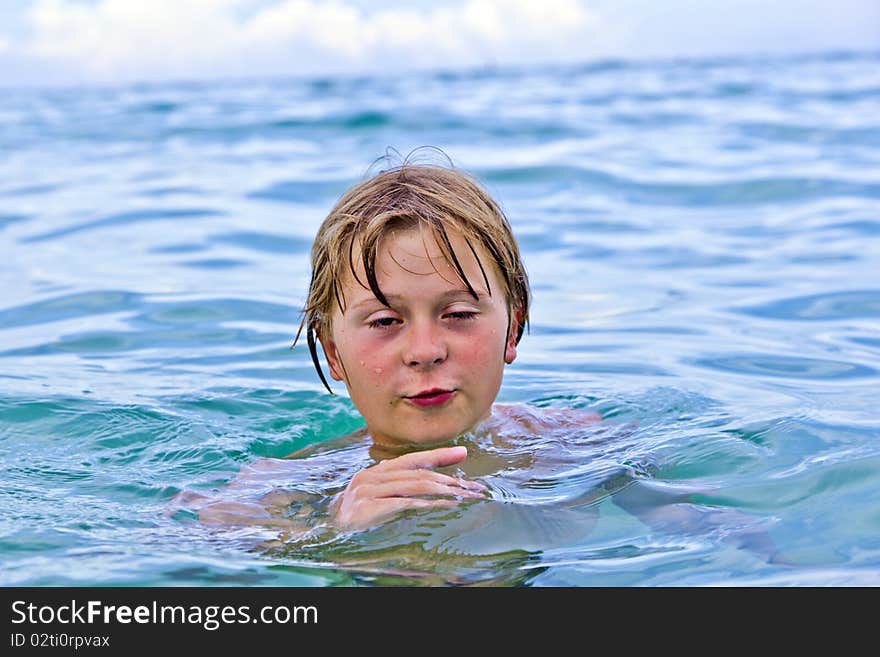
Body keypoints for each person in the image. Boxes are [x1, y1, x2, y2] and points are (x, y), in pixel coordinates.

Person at [174, 151, 787, 575]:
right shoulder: (283, 489)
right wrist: (331, 531)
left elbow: (710, 530)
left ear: (512, 327)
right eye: (385, 322)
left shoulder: (574, 445)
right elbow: (176, 572)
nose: (424, 349)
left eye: (459, 314)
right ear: (334, 353)